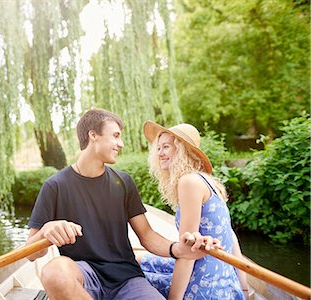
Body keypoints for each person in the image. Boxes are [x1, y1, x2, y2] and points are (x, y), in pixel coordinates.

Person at [25, 108, 220, 300]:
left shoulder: (124, 182)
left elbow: (147, 235)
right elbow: (31, 254)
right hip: (84, 277)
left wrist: (178, 249)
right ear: (93, 135)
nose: (121, 143)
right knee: (54, 272)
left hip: (127, 278)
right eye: (116, 136)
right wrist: (46, 231)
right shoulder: (55, 186)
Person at [138, 121, 249, 299]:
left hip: (205, 285)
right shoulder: (206, 180)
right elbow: (231, 236)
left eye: (166, 147)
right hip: (225, 279)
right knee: (140, 259)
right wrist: (243, 289)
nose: (160, 153)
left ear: (182, 150)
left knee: (131, 277)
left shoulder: (189, 182)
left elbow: (188, 251)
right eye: (158, 148)